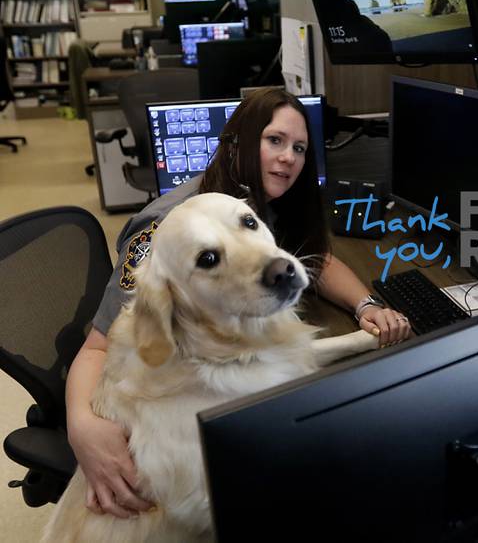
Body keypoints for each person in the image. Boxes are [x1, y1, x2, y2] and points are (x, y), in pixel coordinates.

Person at [66, 88, 411, 518]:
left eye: (299, 147)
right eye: (274, 141)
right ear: (237, 142)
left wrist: (366, 304)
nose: (288, 157)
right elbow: (97, 348)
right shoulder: (166, 229)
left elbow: (313, 258)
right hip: (191, 404)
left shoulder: (255, 202)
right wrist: (81, 427)